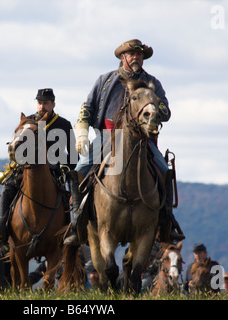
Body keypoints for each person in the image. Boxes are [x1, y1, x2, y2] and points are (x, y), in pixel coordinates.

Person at [64, 39, 184, 246]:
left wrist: (153, 109)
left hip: (141, 139)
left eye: (140, 55)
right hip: (108, 135)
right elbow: (88, 107)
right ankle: (77, 221)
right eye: (132, 55)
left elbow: (166, 111)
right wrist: (82, 130)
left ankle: (167, 221)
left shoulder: (152, 83)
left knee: (164, 170)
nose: (137, 58)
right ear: (123, 57)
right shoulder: (105, 80)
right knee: (80, 168)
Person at [0, 88, 77, 241]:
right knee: (8, 187)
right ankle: (1, 224)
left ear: (53, 104)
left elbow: (74, 154)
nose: (42, 106)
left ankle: (72, 229)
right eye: (40, 103)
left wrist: (65, 168)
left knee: (71, 193)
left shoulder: (63, 124)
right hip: (28, 168)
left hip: (55, 171)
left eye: (45, 103)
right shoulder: (27, 121)